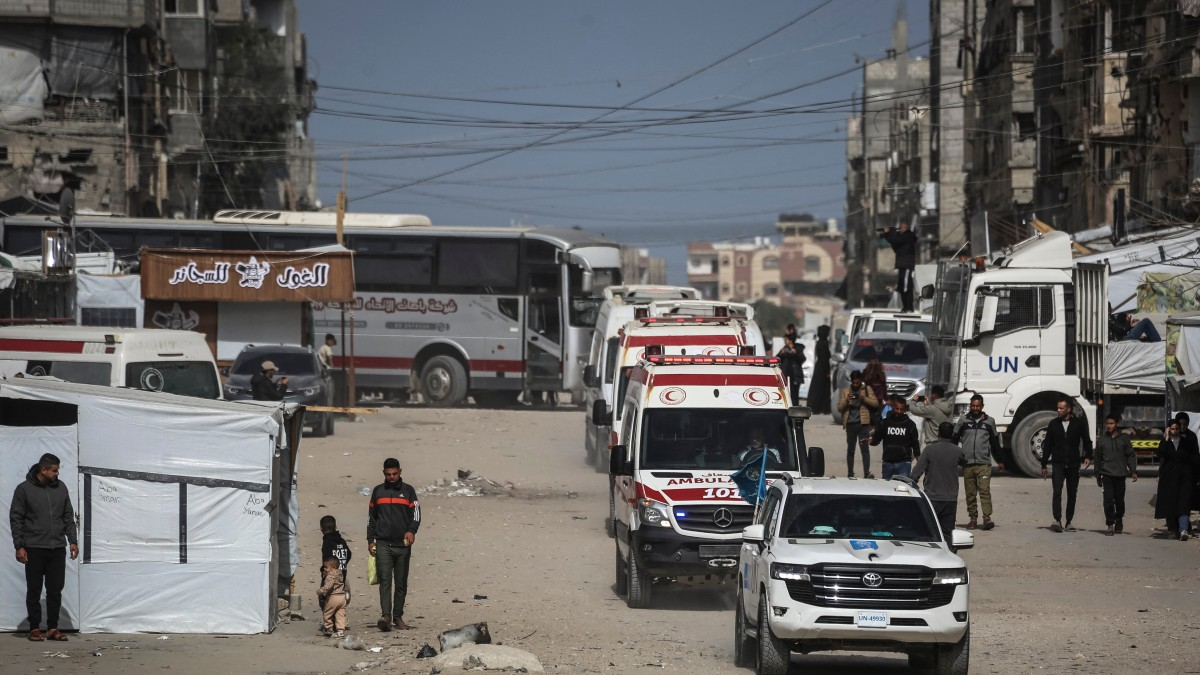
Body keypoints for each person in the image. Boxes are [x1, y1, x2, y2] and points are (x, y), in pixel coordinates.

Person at [9, 452, 78, 642]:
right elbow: (16, 519)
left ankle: (53, 628)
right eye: (54, 470)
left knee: (55, 589)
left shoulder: (61, 488)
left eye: (58, 470)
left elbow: (67, 516)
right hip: (34, 547)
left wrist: (72, 540)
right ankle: (34, 628)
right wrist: (19, 545)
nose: (57, 474)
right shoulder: (24, 490)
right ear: (43, 469)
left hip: (57, 547)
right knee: (34, 589)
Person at [367, 457, 421, 631]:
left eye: (395, 473)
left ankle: (398, 617)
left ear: (400, 472)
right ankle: (386, 616)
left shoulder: (408, 491)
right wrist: (370, 540)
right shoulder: (377, 492)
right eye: (388, 474)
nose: (391, 477)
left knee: (401, 583)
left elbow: (416, 514)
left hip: (403, 545)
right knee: (385, 581)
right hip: (383, 544)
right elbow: (372, 518)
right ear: (384, 473)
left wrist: (411, 530)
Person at [1040, 398, 1093, 533]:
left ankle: (1069, 521)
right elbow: (1048, 445)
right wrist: (1044, 463)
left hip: (1073, 464)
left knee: (1072, 493)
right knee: (1057, 492)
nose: (1058, 410)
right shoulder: (1053, 424)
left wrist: (1088, 456)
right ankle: (1057, 520)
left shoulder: (1078, 423)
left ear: (1068, 409)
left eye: (1061, 408)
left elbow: (1087, 440)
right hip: (1058, 464)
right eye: (1057, 408)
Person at [912, 422, 967, 548]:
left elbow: (916, 473)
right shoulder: (958, 451)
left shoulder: (929, 450)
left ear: (938, 433)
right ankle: (948, 556)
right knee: (947, 532)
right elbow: (965, 462)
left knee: (929, 531)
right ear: (952, 434)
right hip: (950, 499)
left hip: (932, 498)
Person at [953, 394, 1001, 530]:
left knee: (985, 491)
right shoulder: (963, 421)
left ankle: (987, 518)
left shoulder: (989, 422)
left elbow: (995, 442)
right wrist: (953, 458)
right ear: (970, 406)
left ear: (982, 406)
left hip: (984, 463)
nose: (975, 408)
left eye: (977, 406)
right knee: (970, 493)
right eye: (973, 406)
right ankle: (973, 519)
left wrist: (1000, 460)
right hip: (967, 464)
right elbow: (954, 439)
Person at [1153, 415, 1199, 540]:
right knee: (1170, 505)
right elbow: (1160, 455)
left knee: (1184, 504)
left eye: (1177, 429)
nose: (1175, 431)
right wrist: (1165, 438)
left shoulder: (1187, 442)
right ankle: (1173, 530)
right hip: (1169, 479)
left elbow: (1194, 459)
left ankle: (1183, 530)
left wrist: (1196, 476)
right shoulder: (1166, 442)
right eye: (1172, 429)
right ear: (1168, 429)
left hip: (1185, 479)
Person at [1093, 414, 1137, 536]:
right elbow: (1097, 459)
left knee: (1119, 501)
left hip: (1120, 475)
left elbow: (1130, 455)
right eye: (1107, 423)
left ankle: (1119, 519)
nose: (1109, 426)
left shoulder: (1124, 439)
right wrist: (1097, 475)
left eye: (1111, 423)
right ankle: (1110, 525)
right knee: (1107, 500)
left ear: (1117, 424)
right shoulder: (1101, 440)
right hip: (1106, 474)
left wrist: (1133, 470)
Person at [837, 370, 879, 478]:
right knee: (851, 450)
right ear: (851, 381)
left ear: (861, 381)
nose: (856, 385)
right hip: (850, 424)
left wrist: (864, 398)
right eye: (854, 383)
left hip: (863, 424)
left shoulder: (866, 390)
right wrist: (847, 400)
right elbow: (840, 408)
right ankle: (850, 473)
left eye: (858, 382)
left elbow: (875, 403)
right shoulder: (846, 391)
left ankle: (866, 472)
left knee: (864, 449)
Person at [870, 397, 920, 480]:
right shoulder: (885, 423)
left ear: (905, 410)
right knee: (887, 490)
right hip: (888, 462)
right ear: (893, 407)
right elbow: (877, 437)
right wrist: (870, 441)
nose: (899, 412)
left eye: (901, 409)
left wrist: (918, 456)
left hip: (904, 463)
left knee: (903, 490)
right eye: (897, 409)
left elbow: (915, 443)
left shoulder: (910, 425)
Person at [882, 222, 918, 312]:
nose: (899, 230)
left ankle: (909, 307)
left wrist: (887, 233)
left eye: (901, 228)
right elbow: (895, 245)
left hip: (906, 265)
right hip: (902, 265)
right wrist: (888, 234)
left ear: (906, 228)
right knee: (901, 287)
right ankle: (905, 307)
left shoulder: (908, 236)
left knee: (906, 287)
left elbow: (895, 240)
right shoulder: (902, 238)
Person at [320, 515, 352, 603]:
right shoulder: (342, 541)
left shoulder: (327, 542)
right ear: (335, 527)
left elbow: (326, 559)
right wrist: (343, 563)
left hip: (329, 578)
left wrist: (323, 571)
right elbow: (349, 554)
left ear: (321, 529)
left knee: (325, 603)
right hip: (342, 577)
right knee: (340, 606)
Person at [316, 556, 347, 638]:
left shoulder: (330, 576)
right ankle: (340, 630)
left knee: (327, 613)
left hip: (333, 597)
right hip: (342, 597)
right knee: (340, 614)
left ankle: (329, 628)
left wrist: (321, 591)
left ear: (334, 567)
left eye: (326, 567)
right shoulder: (340, 574)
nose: (325, 569)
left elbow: (328, 586)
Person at [808, 325, 833, 415]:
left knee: (817, 387)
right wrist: (827, 371)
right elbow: (825, 357)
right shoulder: (824, 343)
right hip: (823, 366)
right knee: (824, 388)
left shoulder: (819, 342)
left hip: (819, 366)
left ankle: (816, 407)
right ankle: (823, 408)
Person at [776, 336, 805, 405]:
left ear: (791, 341)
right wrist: (781, 353)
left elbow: (802, 359)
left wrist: (794, 352)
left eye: (786, 340)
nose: (785, 341)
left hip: (795, 376)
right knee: (785, 393)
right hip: (785, 375)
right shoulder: (784, 348)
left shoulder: (798, 349)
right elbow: (777, 359)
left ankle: (795, 407)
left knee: (794, 394)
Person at [861, 356, 888, 422]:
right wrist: (886, 398)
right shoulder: (881, 374)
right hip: (878, 401)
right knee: (877, 419)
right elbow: (884, 389)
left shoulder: (866, 373)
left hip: (869, 400)